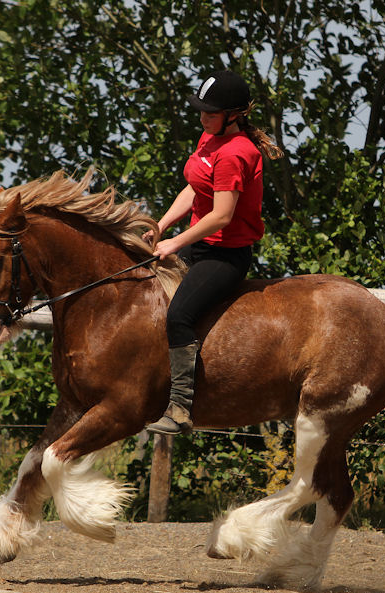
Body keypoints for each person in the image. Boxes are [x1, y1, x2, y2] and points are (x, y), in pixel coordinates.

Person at [145, 69, 284, 436]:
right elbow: (194, 189)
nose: (203, 118)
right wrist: (161, 226)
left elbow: (222, 216)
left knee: (178, 316)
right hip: (198, 241)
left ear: (234, 115)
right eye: (202, 111)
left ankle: (179, 408)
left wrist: (175, 243)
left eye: (211, 113)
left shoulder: (236, 154)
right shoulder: (209, 136)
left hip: (225, 255)